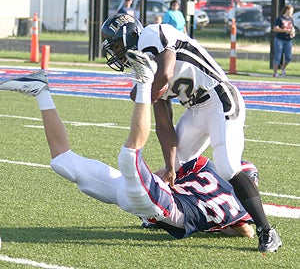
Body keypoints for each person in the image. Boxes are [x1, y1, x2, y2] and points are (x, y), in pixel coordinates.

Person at [0, 69, 258, 242]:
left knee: (63, 162)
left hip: (150, 198)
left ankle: (41, 91)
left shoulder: (208, 172)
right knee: (128, 155)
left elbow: (167, 174)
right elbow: (246, 231)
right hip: (155, 205)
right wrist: (222, 225)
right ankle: (144, 82)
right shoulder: (236, 207)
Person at [100, 13, 282, 252]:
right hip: (195, 109)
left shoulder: (152, 33)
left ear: (129, 33)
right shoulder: (142, 66)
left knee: (227, 165)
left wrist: (142, 93)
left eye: (115, 44)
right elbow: (164, 123)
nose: (116, 51)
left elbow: (164, 74)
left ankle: (267, 231)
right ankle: (192, 211)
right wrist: (171, 166)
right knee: (177, 168)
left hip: (220, 98)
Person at [273, 5, 295, 77]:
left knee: (288, 57)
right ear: (286, 10)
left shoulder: (291, 19)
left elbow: (292, 28)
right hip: (279, 39)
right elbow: (275, 28)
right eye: (290, 11)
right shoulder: (280, 19)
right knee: (278, 57)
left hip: (288, 40)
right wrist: (285, 30)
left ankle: (283, 67)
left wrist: (292, 32)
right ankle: (275, 72)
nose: (291, 12)